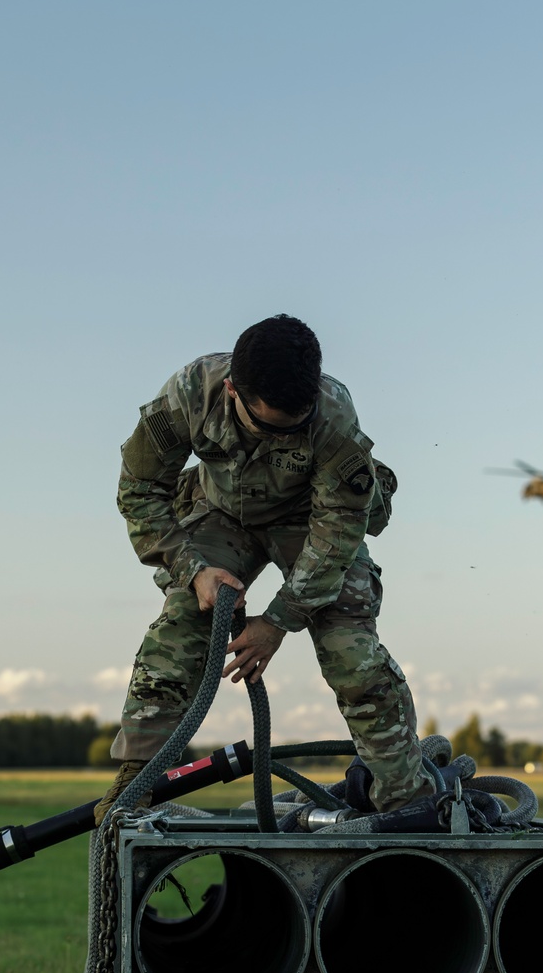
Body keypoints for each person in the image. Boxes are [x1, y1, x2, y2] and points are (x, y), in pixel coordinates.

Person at [95, 314, 431, 823]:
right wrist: (192, 569)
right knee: (183, 623)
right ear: (232, 391)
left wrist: (277, 622)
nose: (281, 438)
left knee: (353, 655)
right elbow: (139, 491)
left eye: (292, 428)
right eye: (266, 426)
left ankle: (407, 799)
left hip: (309, 522)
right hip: (220, 513)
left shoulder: (334, 417)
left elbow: (337, 532)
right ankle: (139, 778)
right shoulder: (192, 394)